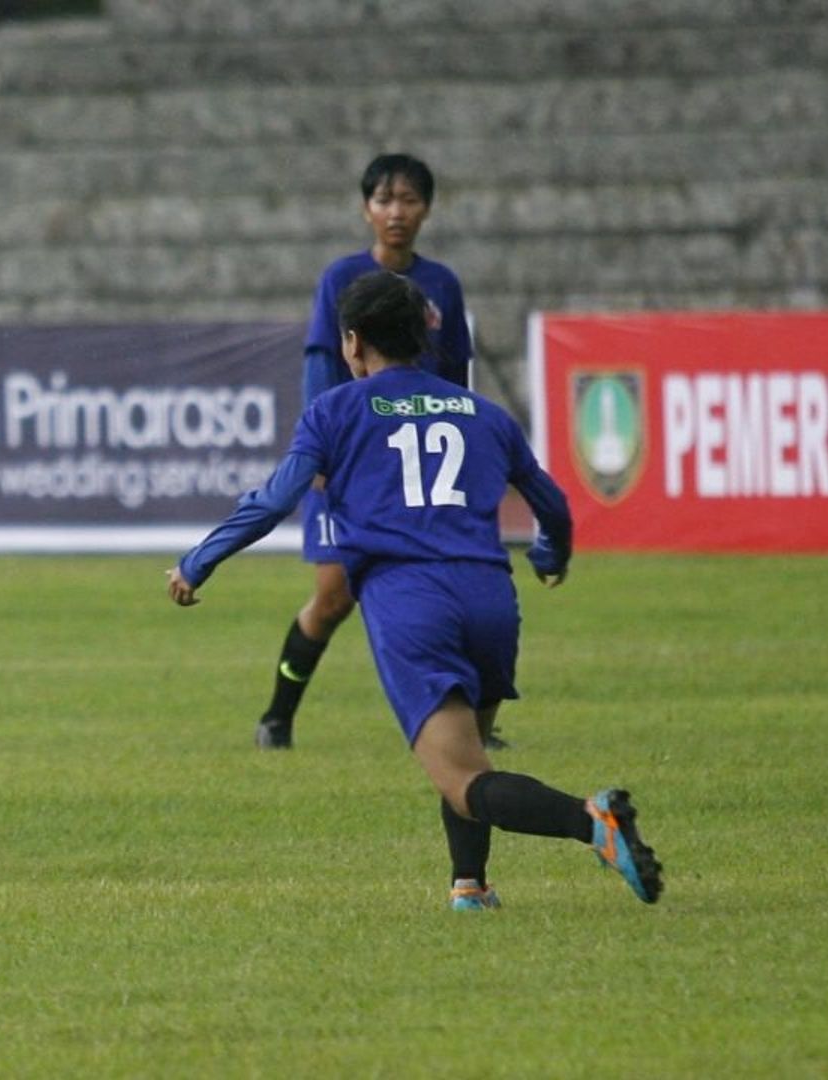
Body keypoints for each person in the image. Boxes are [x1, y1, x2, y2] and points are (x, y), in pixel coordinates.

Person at [166, 270, 663, 910]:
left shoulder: (334, 411)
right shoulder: (482, 412)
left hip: (410, 602)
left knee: (462, 777)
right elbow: (553, 505)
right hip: (490, 597)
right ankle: (470, 887)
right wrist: (549, 554)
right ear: (423, 335)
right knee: (467, 751)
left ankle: (593, 822)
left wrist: (199, 561)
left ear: (352, 342)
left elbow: (274, 501)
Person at [255, 153, 488, 751]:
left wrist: (466, 443)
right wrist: (321, 452)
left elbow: (457, 374)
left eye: (408, 200)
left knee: (448, 589)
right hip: (353, 463)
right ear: (366, 210)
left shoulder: (442, 285)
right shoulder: (341, 279)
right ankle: (277, 717)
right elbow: (320, 364)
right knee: (334, 597)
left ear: (427, 209)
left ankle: (470, 723)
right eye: (385, 200)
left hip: (417, 466)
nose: (396, 212)